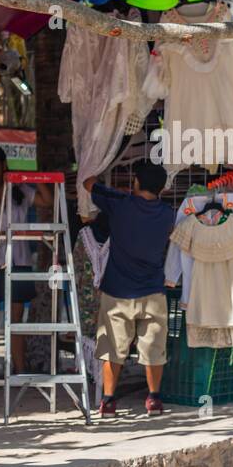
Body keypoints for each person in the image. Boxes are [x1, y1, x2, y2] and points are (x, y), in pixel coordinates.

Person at [82, 162, 175, 416]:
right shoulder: (168, 214)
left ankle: (109, 401)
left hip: (117, 292)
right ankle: (154, 399)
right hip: (153, 291)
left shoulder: (120, 204)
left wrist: (104, 177)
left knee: (112, 348)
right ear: (162, 187)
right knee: (154, 348)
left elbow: (88, 183)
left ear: (135, 181)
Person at [0, 145, 53, 379]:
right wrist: (7, 184)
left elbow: (47, 200)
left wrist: (33, 175)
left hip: (18, 259)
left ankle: (19, 368)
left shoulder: (20, 189)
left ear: (4, 164)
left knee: (16, 318)